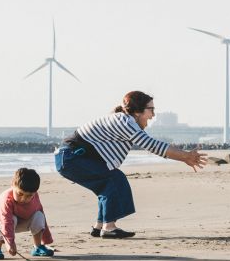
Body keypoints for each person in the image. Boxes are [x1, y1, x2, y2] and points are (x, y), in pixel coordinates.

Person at [55, 91, 207, 239]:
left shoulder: (124, 120)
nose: (153, 115)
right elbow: (153, 145)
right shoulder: (126, 123)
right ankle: (109, 227)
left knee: (108, 182)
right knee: (113, 179)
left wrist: (185, 157)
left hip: (68, 158)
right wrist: (186, 156)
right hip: (71, 158)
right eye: (151, 110)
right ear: (137, 111)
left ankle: (100, 226)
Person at [0, 168, 54, 260]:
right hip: (2, 222)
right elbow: (6, 222)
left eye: (29, 195)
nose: (24, 199)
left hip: (22, 221)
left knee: (39, 215)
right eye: (20, 194)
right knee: (11, 219)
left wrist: (46, 238)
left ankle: (37, 247)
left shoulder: (35, 197)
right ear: (13, 185)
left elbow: (41, 213)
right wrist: (10, 244)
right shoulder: (6, 198)